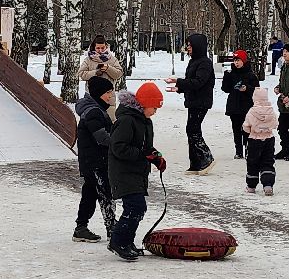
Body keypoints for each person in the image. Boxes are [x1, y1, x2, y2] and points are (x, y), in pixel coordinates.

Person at [106, 81, 168, 261]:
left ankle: (127, 242)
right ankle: (118, 241)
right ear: (144, 104)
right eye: (153, 107)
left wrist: (156, 157)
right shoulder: (126, 120)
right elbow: (118, 147)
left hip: (136, 171)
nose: (155, 111)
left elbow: (145, 147)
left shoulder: (145, 121)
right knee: (135, 207)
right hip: (123, 171)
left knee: (137, 208)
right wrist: (143, 155)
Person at [72, 75, 117, 242]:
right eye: (108, 92)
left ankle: (81, 228)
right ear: (98, 93)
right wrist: (119, 144)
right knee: (105, 193)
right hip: (95, 161)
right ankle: (112, 228)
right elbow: (102, 138)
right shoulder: (94, 112)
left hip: (91, 161)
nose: (111, 95)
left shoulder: (96, 109)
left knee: (90, 194)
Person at [166, 32, 215, 173]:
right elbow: (191, 82)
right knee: (191, 129)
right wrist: (179, 88)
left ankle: (206, 158)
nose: (188, 48)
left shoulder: (205, 63)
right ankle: (195, 163)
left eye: (190, 45)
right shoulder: (194, 61)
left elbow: (199, 82)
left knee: (193, 129)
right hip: (193, 100)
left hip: (201, 101)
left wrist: (178, 82)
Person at [220, 48, 259, 159]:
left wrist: (247, 88)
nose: (236, 63)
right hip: (234, 105)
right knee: (236, 129)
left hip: (246, 106)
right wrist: (226, 77)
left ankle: (247, 148)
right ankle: (238, 150)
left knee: (246, 129)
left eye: (238, 60)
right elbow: (225, 89)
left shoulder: (250, 75)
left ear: (244, 61)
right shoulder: (231, 73)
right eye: (235, 60)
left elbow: (257, 90)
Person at [243, 85, 278, 196]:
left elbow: (246, 125)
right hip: (268, 139)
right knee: (268, 161)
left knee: (252, 162)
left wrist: (250, 130)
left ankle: (251, 186)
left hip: (254, 139)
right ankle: (268, 185)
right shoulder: (271, 111)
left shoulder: (252, 112)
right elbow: (275, 124)